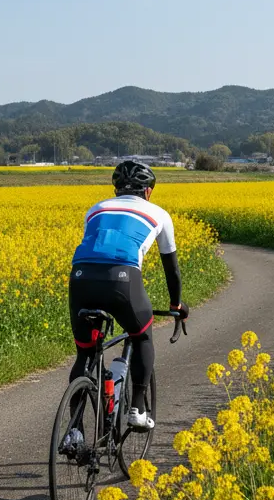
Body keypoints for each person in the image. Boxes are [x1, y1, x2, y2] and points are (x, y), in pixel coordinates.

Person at [66, 160, 188, 436]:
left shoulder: (96, 209)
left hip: (80, 277)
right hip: (122, 280)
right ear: (148, 192)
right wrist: (176, 305)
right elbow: (172, 270)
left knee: (85, 353)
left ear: (116, 190)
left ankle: (74, 432)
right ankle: (137, 409)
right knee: (141, 335)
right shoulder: (159, 214)